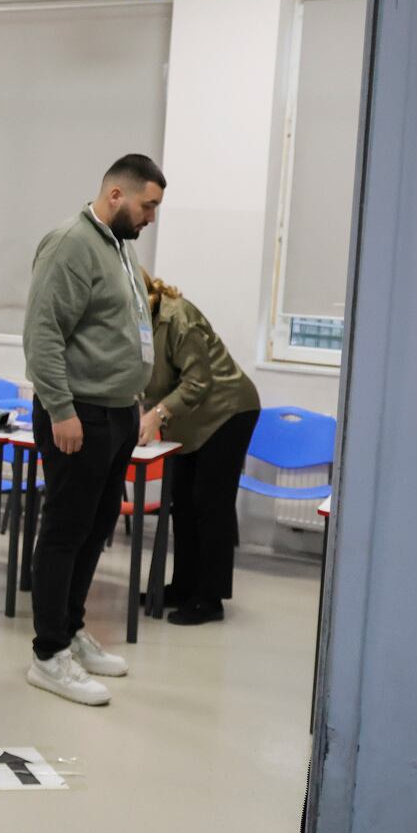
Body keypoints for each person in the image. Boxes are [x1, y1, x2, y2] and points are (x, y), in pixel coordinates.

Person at [22, 154, 164, 706]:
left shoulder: (119, 247)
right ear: (115, 196)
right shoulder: (70, 244)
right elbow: (43, 334)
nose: (150, 216)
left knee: (94, 526)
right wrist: (60, 411)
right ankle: (47, 654)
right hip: (78, 414)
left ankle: (71, 629)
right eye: (146, 205)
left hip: (117, 412)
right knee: (64, 529)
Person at [137, 270, 261, 626]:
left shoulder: (178, 317)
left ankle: (210, 598)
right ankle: (183, 586)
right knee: (183, 502)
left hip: (228, 411)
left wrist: (157, 414)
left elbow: (198, 380)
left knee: (211, 503)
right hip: (191, 420)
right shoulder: (136, 324)